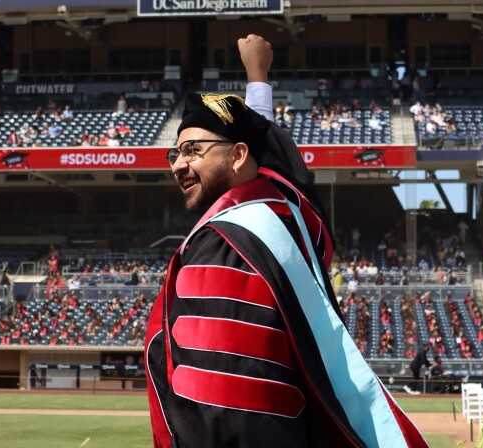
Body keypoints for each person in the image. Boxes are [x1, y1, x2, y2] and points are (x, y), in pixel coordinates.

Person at [144, 34, 426, 448]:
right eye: (175, 154)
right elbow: (278, 167)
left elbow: (223, 409)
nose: (179, 165)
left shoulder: (225, 248)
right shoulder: (286, 217)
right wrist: (258, 78)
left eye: (193, 150)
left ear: (238, 156)